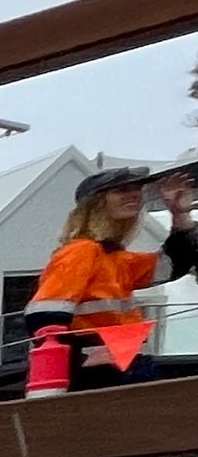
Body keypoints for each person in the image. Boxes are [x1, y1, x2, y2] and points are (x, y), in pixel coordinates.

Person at [23, 163, 198, 384]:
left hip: (124, 363)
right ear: (96, 204)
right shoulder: (82, 251)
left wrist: (180, 215)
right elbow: (44, 316)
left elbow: (173, 265)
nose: (134, 194)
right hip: (99, 371)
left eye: (136, 189)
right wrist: (80, 357)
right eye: (121, 190)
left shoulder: (114, 259)